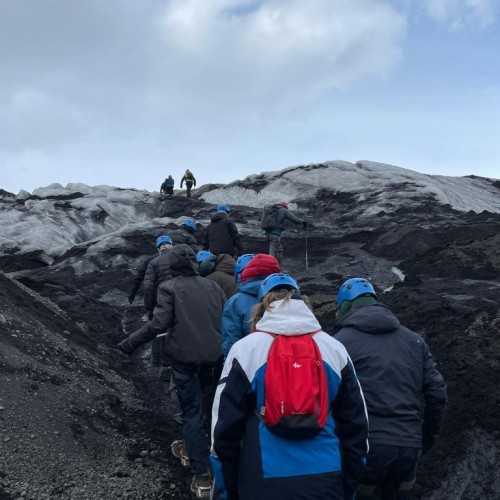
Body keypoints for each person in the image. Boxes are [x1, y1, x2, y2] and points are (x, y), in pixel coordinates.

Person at [211, 273, 369, 500]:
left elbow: (224, 432)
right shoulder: (334, 350)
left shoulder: (245, 350)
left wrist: (227, 490)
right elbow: (357, 427)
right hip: (326, 478)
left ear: (263, 306)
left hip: (261, 481)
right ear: (303, 303)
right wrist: (349, 485)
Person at [118, 244, 226, 499]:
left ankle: (201, 476)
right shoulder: (214, 287)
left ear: (173, 265)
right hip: (214, 358)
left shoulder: (169, 287)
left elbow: (159, 324)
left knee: (191, 413)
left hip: (185, 360)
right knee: (210, 410)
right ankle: (209, 454)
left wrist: (129, 343)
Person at [334, 278, 448, 500]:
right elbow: (437, 393)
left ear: (344, 306)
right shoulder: (414, 341)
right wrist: (424, 440)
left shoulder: (339, 343)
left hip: (364, 449)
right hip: (408, 448)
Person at [221, 253, 280, 358]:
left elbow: (231, 339)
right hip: (285, 363)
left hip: (249, 362)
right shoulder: (289, 298)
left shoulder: (235, 302)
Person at [143, 235, 174, 376]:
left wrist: (149, 307)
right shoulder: (179, 260)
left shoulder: (154, 262)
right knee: (174, 330)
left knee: (156, 329)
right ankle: (169, 364)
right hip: (178, 301)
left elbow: (148, 286)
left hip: (160, 302)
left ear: (158, 248)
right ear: (171, 246)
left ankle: (156, 362)